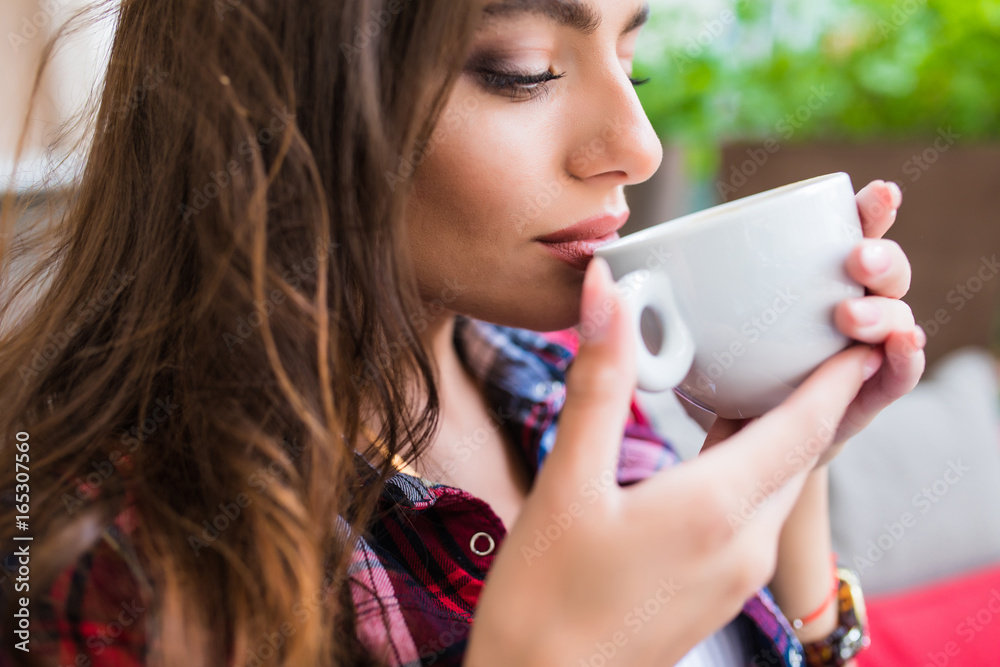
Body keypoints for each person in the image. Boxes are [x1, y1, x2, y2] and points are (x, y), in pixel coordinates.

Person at [0, 1, 925, 665]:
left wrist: (785, 448)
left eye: (631, 60)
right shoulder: (92, 565)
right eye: (523, 71)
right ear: (271, 96)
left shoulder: (557, 379)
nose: (638, 142)